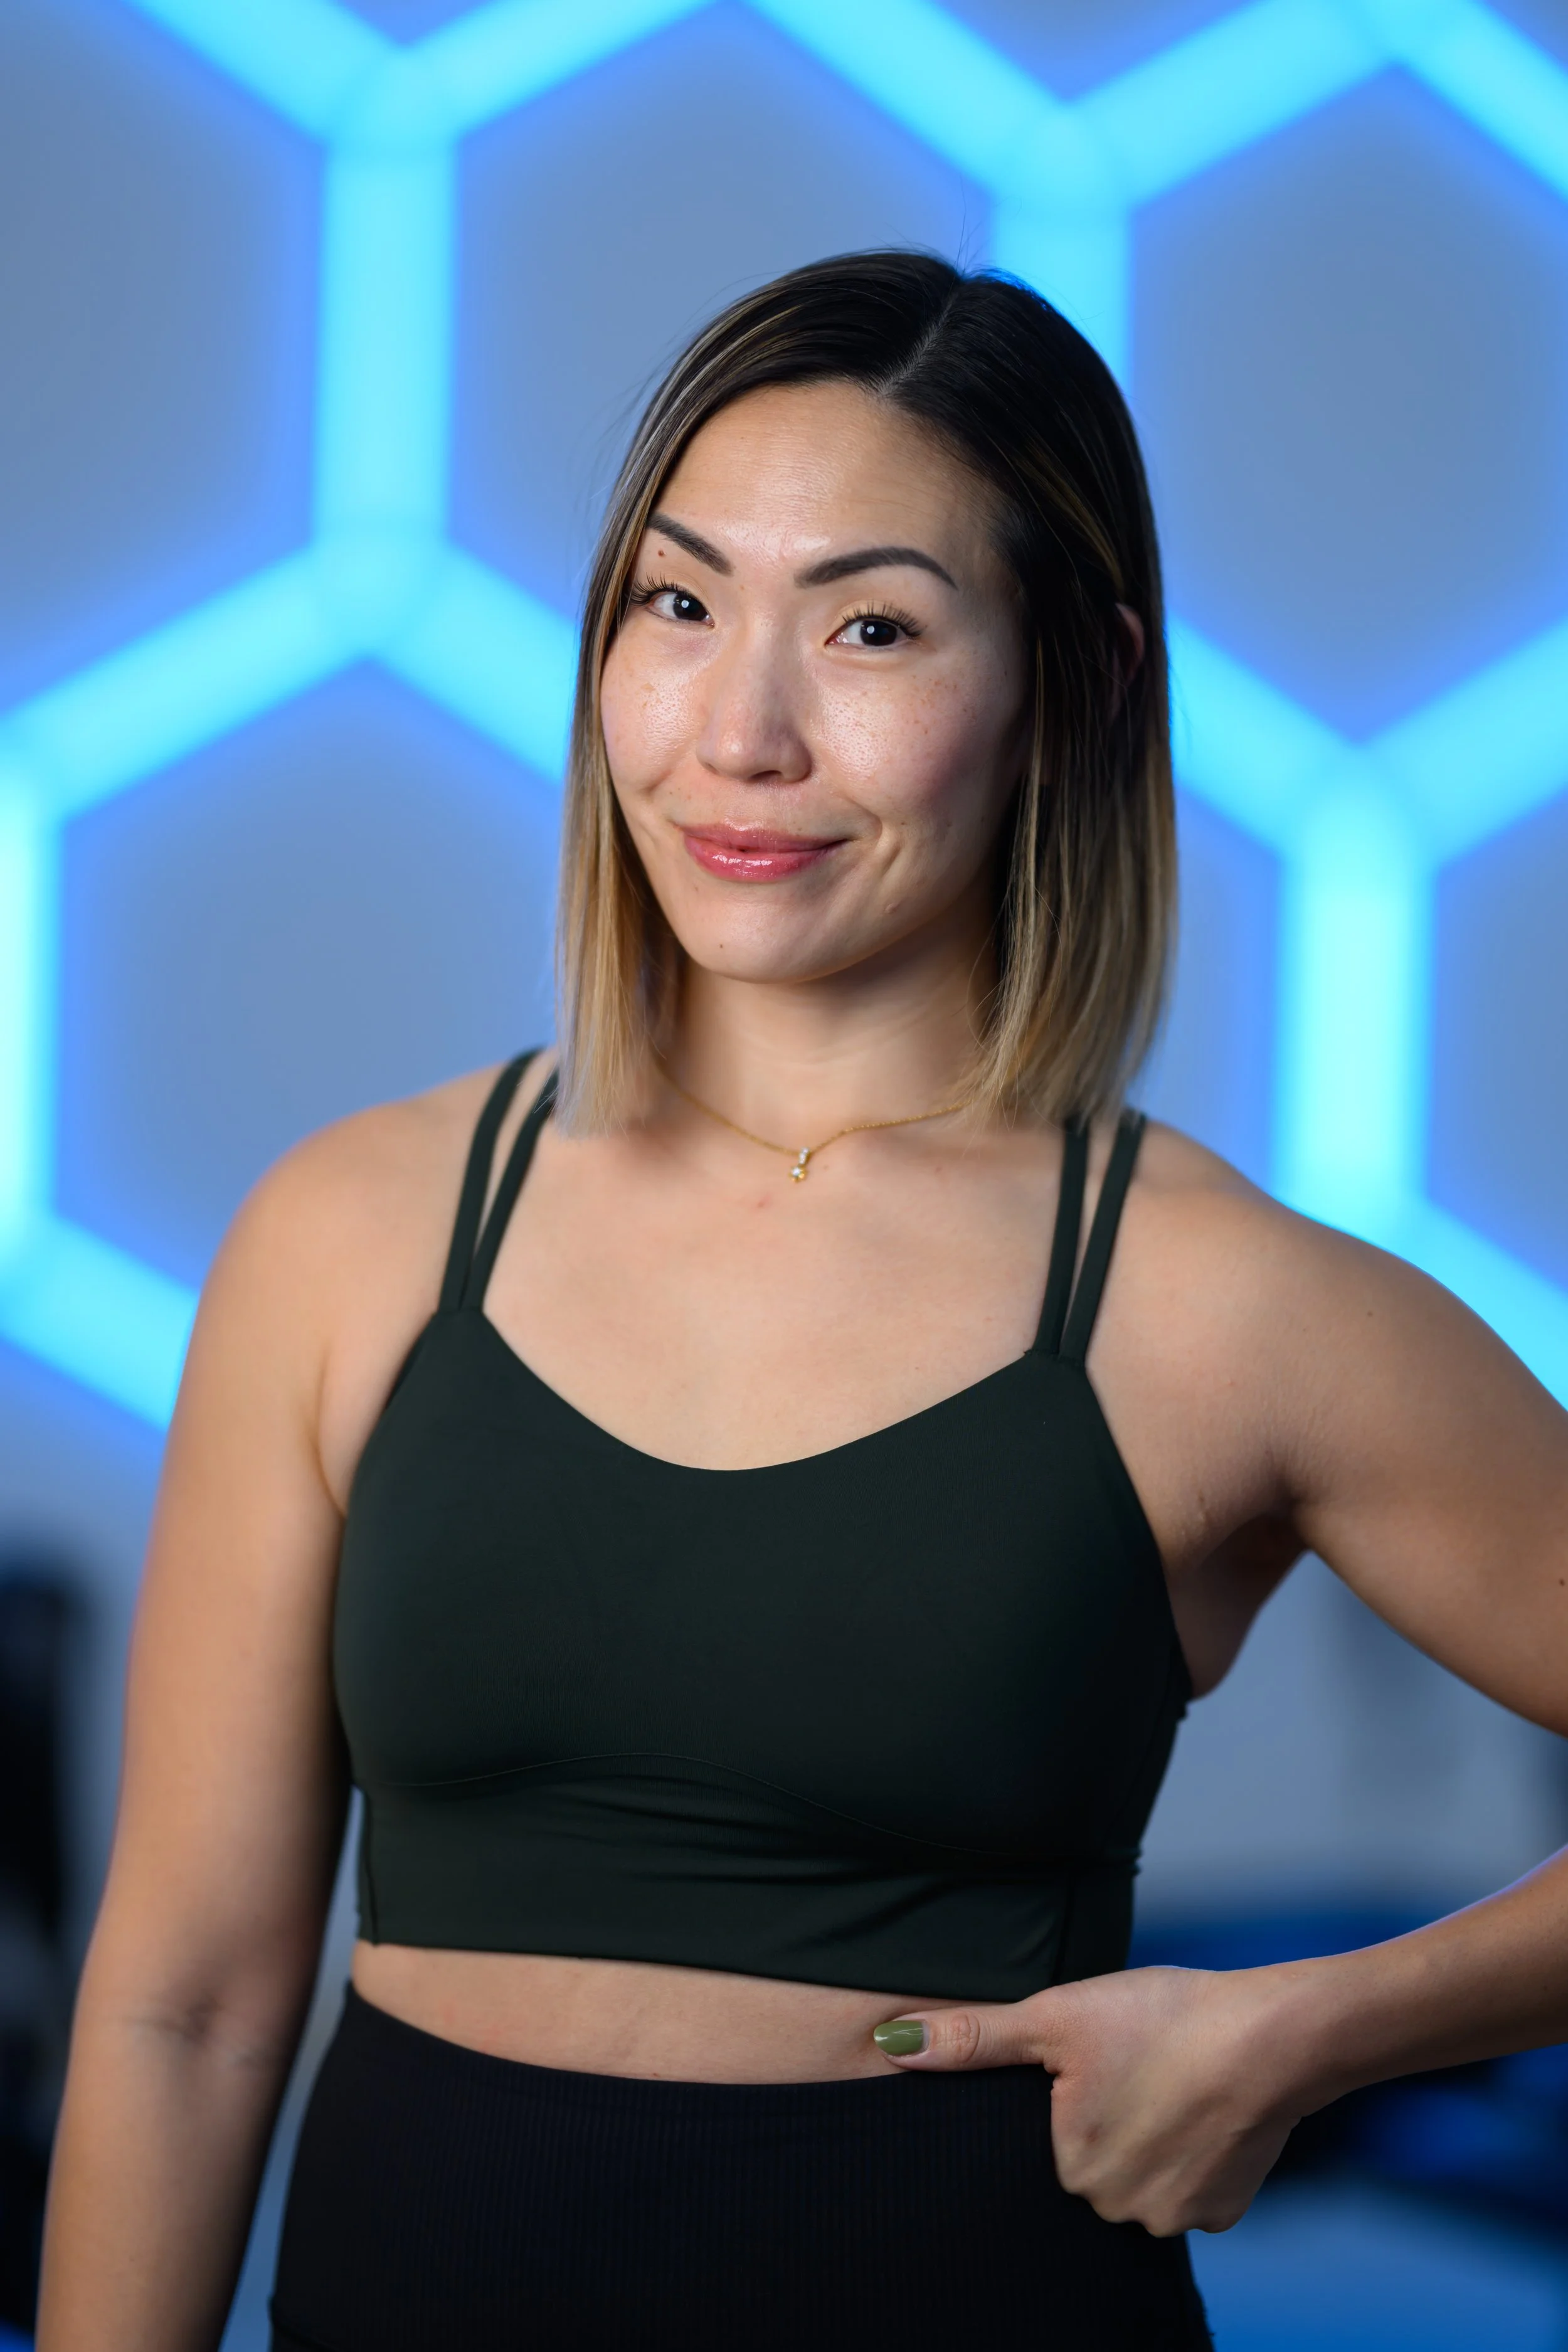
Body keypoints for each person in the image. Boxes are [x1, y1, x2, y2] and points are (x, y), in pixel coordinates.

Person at [35, 251, 1568, 2352]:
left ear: (1078, 677)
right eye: (677, 605)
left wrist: (1309, 2029)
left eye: (868, 626)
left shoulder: (1224, 1304)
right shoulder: (358, 1230)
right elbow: (183, 1999)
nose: (741, 730)